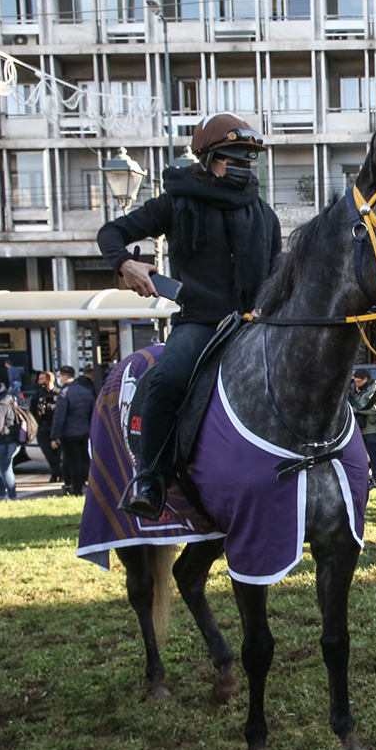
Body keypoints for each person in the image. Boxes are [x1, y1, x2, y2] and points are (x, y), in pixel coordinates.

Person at [97, 111, 282, 519]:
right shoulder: (175, 204)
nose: (244, 166)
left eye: (249, 159)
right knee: (167, 380)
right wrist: (126, 263)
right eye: (234, 158)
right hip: (199, 323)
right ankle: (151, 478)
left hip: (252, 326)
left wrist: (270, 305)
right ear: (209, 159)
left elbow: (276, 274)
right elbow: (110, 233)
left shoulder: (264, 215)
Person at [51, 365, 96, 497]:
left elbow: (59, 417)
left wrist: (54, 436)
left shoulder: (64, 393)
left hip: (69, 433)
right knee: (84, 460)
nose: (59, 379)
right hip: (84, 431)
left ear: (64, 377)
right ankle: (87, 486)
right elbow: (93, 412)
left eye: (59, 376)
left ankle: (76, 490)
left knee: (73, 462)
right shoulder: (85, 391)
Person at [348, 367, 376, 488]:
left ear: (366, 379)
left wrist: (357, 409)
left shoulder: (375, 388)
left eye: (359, 381)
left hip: (372, 428)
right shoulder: (355, 388)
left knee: (374, 456)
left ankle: (375, 480)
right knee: (360, 457)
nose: (356, 384)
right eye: (355, 381)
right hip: (360, 428)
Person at [31, 370, 62, 483]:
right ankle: (55, 472)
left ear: (49, 380)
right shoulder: (37, 395)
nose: (39, 382)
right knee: (48, 452)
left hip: (56, 426)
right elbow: (32, 412)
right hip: (43, 427)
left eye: (42, 379)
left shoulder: (59, 394)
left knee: (59, 452)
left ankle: (60, 473)